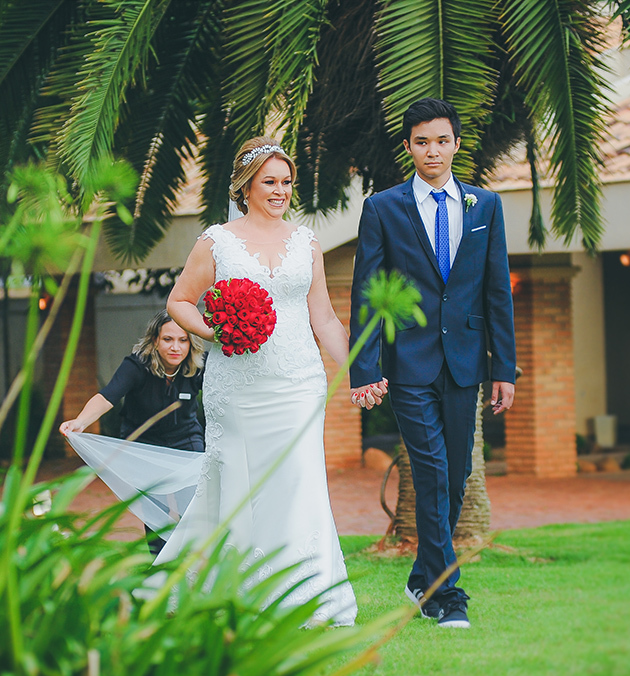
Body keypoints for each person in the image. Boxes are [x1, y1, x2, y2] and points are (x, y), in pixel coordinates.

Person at [155, 136, 358, 627]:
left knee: (300, 481)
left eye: (287, 183)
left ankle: (305, 595)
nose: (280, 191)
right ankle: (235, 588)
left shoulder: (306, 241)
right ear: (246, 187)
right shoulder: (217, 241)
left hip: (298, 381)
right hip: (238, 386)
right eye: (270, 181)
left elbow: (325, 318)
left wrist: (358, 369)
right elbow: (179, 301)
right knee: (239, 482)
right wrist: (214, 329)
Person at [349, 98, 517, 629]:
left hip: (466, 365)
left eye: (442, 140)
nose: (433, 150)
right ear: (408, 148)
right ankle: (447, 598)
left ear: (456, 144)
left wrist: (504, 369)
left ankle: (423, 575)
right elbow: (369, 293)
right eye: (422, 141)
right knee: (432, 470)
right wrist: (365, 368)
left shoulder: (485, 207)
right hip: (408, 365)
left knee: (458, 474)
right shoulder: (383, 208)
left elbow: (496, 293)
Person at [60, 310, 205, 556]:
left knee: (192, 508)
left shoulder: (198, 365)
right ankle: (161, 569)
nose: (175, 347)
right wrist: (80, 422)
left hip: (186, 440)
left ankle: (191, 566)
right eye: (168, 339)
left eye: (183, 340)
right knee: (157, 514)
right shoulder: (136, 366)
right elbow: (108, 396)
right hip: (145, 447)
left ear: (191, 343)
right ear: (155, 340)